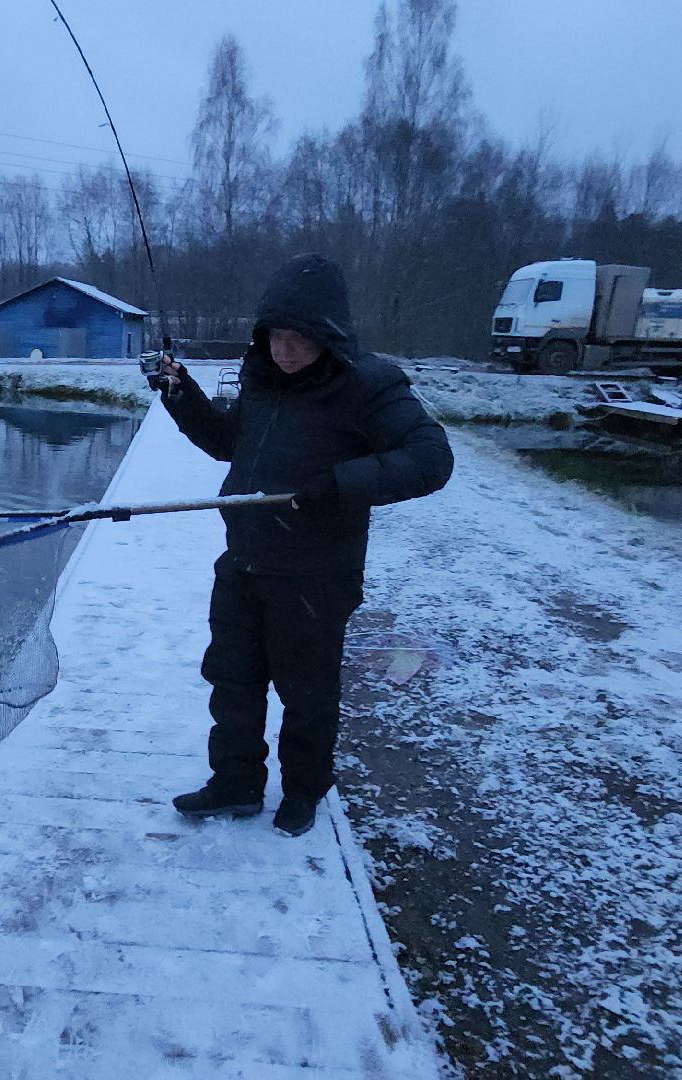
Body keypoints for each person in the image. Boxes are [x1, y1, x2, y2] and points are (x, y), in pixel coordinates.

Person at [154, 253, 454, 837]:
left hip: (315, 573)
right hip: (243, 561)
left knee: (306, 694)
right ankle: (235, 783)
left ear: (330, 335)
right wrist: (181, 394)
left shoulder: (370, 385)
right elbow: (228, 444)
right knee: (232, 680)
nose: (285, 350)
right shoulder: (262, 377)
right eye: (275, 337)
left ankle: (303, 792)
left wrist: (339, 485)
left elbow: (431, 459)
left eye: (299, 338)